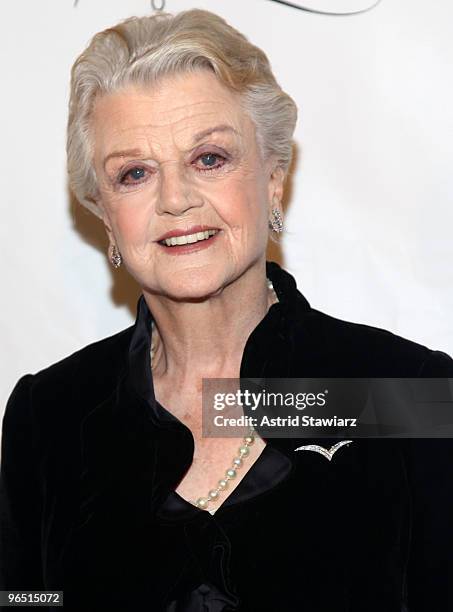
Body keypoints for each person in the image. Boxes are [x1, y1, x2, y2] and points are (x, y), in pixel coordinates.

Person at [1, 8, 452, 612]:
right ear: (104, 212)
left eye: (209, 159)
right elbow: (25, 603)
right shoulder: (51, 414)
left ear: (273, 177)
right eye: (134, 173)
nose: (176, 200)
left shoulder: (406, 394)